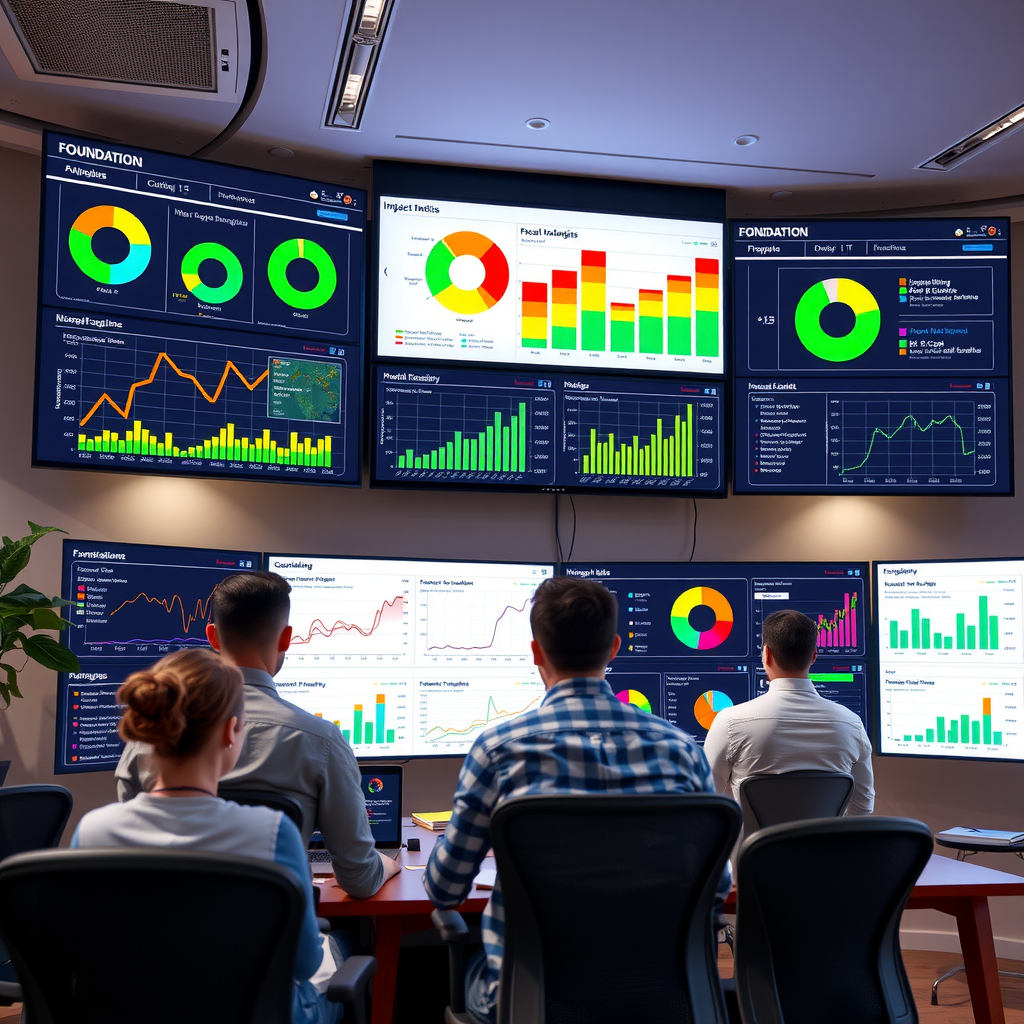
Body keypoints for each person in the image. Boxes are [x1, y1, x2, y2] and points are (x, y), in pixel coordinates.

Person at [424, 576, 729, 1024]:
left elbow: (445, 889)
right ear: (615, 648)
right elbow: (717, 887)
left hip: (531, 1000)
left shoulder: (497, 749)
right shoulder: (682, 750)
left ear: (535, 653)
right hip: (661, 994)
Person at [73, 649, 341, 1024]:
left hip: (134, 1013)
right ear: (232, 732)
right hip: (252, 1013)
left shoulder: (92, 830)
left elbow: (78, 952)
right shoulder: (271, 832)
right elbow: (303, 962)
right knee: (335, 951)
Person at [115, 571, 398, 898]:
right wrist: (386, 865)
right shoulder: (321, 740)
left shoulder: (150, 735)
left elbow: (130, 859)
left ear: (213, 636)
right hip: (275, 944)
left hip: (163, 939)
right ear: (286, 638)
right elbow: (360, 881)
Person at [703, 608, 874, 814]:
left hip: (754, 846)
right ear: (814, 656)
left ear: (767, 655)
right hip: (826, 846)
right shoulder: (852, 725)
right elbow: (862, 808)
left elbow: (707, 799)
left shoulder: (730, 722)